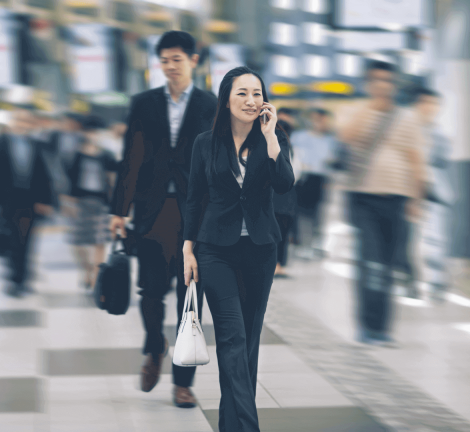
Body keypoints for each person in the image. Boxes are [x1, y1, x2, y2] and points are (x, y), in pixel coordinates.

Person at [109, 30, 218, 408]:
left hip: (196, 213)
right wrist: (119, 210)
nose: (170, 66)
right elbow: (130, 159)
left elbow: (218, 162)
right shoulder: (143, 104)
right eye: (165, 59)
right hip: (153, 211)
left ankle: (183, 382)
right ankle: (154, 345)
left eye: (177, 58)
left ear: (194, 61)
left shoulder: (211, 105)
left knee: (191, 297)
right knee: (150, 290)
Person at [183, 66, 294, 432]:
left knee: (247, 344)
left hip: (261, 250)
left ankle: (231, 424)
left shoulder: (273, 137)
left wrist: (272, 137)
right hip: (216, 250)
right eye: (242, 93)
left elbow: (285, 185)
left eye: (257, 93)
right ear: (226, 100)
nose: (251, 100)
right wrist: (188, 249)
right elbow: (194, 198)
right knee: (232, 337)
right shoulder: (205, 142)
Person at [338, 61, 426, 346]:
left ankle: (382, 328)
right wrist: (371, 106)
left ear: (395, 84)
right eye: (376, 80)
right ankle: (367, 326)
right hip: (364, 198)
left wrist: (417, 198)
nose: (383, 85)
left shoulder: (408, 117)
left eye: (387, 80)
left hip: (397, 200)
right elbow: (346, 136)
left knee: (388, 266)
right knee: (370, 262)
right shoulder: (354, 110)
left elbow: (417, 159)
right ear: (367, 83)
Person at [0, 105, 55, 298]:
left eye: (26, 121)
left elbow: (44, 175)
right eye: (19, 120)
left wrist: (46, 200)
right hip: (6, 200)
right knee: (10, 240)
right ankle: (13, 276)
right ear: (13, 122)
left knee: (25, 240)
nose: (22, 124)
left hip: (30, 201)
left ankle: (21, 280)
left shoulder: (37, 145)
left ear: (31, 124)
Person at [64, 115, 118, 289]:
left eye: (96, 132)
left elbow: (113, 178)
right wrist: (66, 201)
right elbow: (67, 179)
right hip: (80, 201)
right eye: (90, 132)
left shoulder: (107, 155)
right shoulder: (74, 154)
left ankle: (96, 276)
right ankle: (86, 269)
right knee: (78, 241)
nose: (93, 135)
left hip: (101, 201)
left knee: (99, 240)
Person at [413, 87, 453, 303]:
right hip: (411, 192)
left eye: (434, 104)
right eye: (426, 103)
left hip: (436, 193)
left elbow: (442, 161)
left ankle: (437, 283)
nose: (430, 108)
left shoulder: (440, 135)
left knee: (436, 239)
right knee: (412, 241)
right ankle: (412, 280)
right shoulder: (409, 130)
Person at [291, 108, 338, 260]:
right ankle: (303, 245)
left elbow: (333, 160)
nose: (318, 123)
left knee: (318, 212)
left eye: (322, 119)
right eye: (315, 119)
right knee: (302, 212)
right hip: (303, 177)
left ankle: (316, 243)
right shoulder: (299, 137)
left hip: (321, 178)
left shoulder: (330, 140)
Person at [272, 118, 297, 278]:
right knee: (282, 232)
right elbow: (297, 173)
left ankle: (275, 264)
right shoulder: (291, 149)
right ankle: (278, 264)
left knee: (272, 232)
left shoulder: (266, 145)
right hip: (286, 197)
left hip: (272, 197)